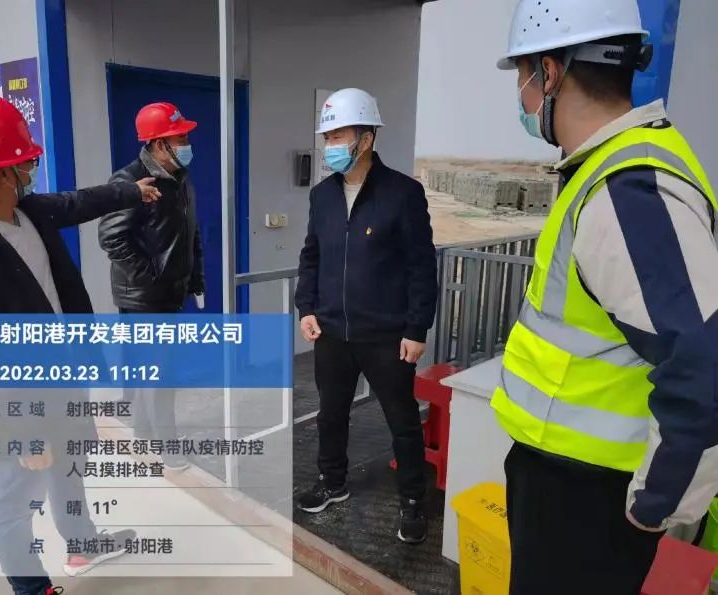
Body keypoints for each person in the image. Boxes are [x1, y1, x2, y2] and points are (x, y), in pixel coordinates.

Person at [491, 1, 718, 593]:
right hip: (566, 479)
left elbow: (705, 367)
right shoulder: (611, 170)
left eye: (522, 76)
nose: (521, 95)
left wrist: (657, 504)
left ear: (550, 73)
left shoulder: (627, 192)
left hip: (590, 500)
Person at [0, 93, 161, 595]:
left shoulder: (23, 209)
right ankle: (32, 588)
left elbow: (76, 203)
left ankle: (82, 543)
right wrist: (23, 431)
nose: (33, 168)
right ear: (2, 172)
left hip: (60, 372)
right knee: (16, 497)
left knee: (68, 464)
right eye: (26, 161)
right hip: (15, 400)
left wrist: (130, 191)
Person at [294, 88, 438, 544]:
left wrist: (416, 328)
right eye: (327, 136)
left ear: (367, 138)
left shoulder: (403, 193)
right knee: (331, 414)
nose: (330, 144)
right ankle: (332, 481)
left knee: (401, 420)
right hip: (332, 331)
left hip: (386, 335)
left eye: (338, 135)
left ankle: (412, 500)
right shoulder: (322, 196)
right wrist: (306, 307)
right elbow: (312, 255)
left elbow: (421, 266)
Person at [98, 102, 205, 471]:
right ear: (159, 144)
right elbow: (111, 238)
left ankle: (143, 432)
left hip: (169, 293)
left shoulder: (180, 177)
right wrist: (151, 279)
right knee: (160, 374)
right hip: (144, 298)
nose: (187, 145)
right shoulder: (129, 181)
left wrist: (195, 277)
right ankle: (168, 450)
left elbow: (190, 232)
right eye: (181, 139)